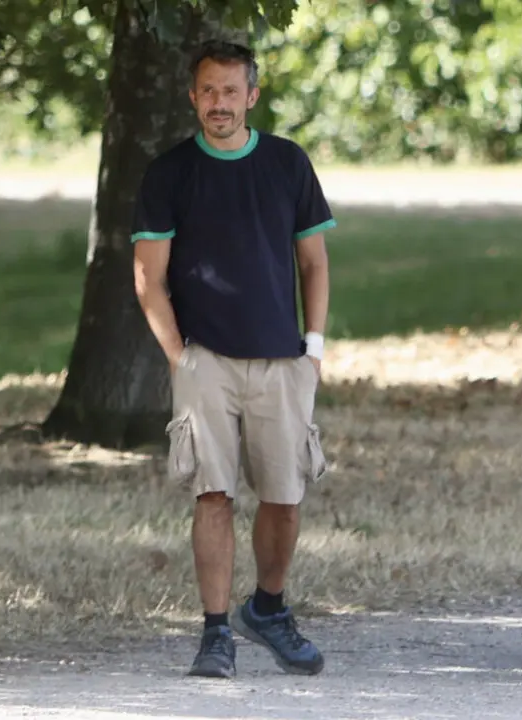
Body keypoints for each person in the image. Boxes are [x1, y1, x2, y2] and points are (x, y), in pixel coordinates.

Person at [131, 39, 335, 679]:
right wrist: (178, 358)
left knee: (284, 495)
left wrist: (315, 350)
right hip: (206, 360)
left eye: (230, 91)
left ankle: (268, 608)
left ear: (252, 94)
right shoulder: (169, 173)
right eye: (207, 91)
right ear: (193, 97)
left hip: (282, 358)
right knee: (213, 495)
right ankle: (215, 632)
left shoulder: (286, 162)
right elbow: (148, 280)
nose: (218, 103)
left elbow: (314, 262)